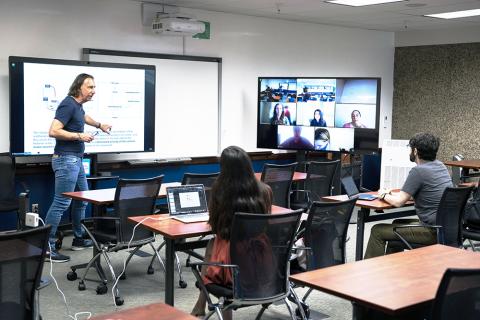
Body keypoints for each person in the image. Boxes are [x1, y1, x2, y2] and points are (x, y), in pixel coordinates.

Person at [191, 146, 273, 319]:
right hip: (262, 261)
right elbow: (266, 223)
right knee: (215, 244)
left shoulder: (220, 192)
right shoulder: (265, 191)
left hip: (232, 266)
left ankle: (203, 304)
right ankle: (202, 304)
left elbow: (216, 227)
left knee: (213, 244)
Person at [45, 73, 112, 263]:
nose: (93, 91)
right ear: (79, 87)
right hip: (66, 160)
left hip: (75, 159)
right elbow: (53, 131)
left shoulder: (77, 106)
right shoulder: (68, 104)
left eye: (94, 87)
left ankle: (78, 238)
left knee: (83, 198)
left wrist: (100, 125)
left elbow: (83, 117)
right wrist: (79, 136)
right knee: (61, 203)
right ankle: (47, 247)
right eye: (90, 87)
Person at [364, 132, 452, 259]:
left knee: (377, 230)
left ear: (415, 151)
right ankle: (394, 268)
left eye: (410, 149)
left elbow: (399, 202)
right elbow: (424, 192)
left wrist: (383, 194)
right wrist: (394, 194)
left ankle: (369, 275)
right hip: (446, 228)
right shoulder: (440, 166)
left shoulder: (418, 171)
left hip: (432, 231)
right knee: (397, 222)